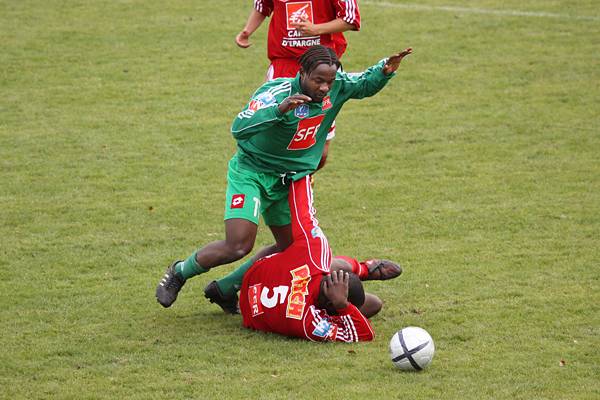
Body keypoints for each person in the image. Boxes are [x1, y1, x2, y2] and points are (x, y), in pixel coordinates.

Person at [155, 45, 412, 311]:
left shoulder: (337, 88)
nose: (325, 87)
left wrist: (385, 69)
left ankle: (225, 289)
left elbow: (364, 83)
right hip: (252, 173)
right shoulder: (275, 93)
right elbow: (239, 128)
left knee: (290, 250)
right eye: (318, 80)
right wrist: (278, 111)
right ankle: (179, 272)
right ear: (302, 73)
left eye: (329, 81)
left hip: (290, 181)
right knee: (238, 245)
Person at [240, 175, 398, 341]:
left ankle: (363, 269)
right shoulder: (308, 323)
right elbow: (365, 334)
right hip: (250, 310)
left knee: (332, 265)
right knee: (373, 304)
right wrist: (343, 306)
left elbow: (304, 212)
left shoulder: (314, 254)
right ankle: (364, 270)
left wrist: (303, 172)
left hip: (255, 274)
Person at [235, 0, 361, 169]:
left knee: (320, 153)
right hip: (283, 64)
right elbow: (263, 5)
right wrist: (247, 31)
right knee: (269, 130)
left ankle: (302, 177)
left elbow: (351, 19)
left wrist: (316, 29)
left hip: (320, 69)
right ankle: (265, 178)